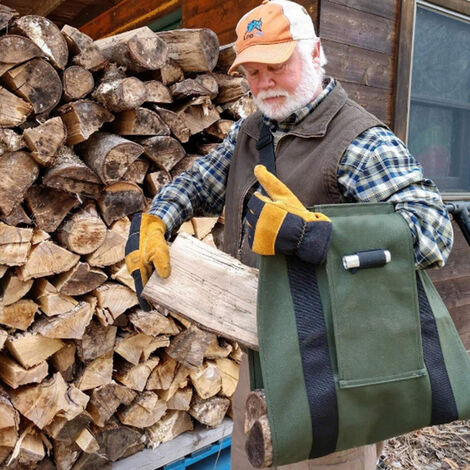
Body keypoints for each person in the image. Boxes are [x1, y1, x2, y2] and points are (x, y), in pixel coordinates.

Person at [126, 0, 453, 468]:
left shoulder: (360, 139)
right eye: (253, 72)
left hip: (339, 368)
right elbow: (197, 184)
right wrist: (159, 219)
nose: (264, 84)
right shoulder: (251, 131)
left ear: (316, 52)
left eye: (277, 66)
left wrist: (320, 236)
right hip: (261, 356)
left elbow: (433, 232)